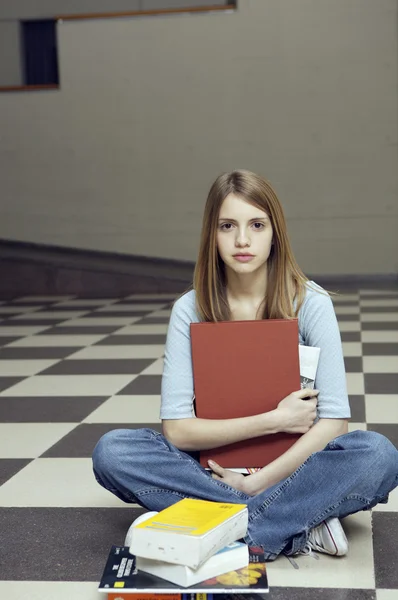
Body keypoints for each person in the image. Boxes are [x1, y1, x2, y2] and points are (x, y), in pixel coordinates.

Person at [92, 169, 398, 564]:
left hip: (295, 468)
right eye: (227, 226)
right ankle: (295, 521)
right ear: (211, 234)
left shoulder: (312, 303)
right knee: (114, 451)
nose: (242, 240)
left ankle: (220, 523)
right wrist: (273, 420)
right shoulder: (191, 308)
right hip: (213, 466)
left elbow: (334, 423)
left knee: (377, 454)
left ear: (275, 233)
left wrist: (255, 484)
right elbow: (179, 431)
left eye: (256, 225)